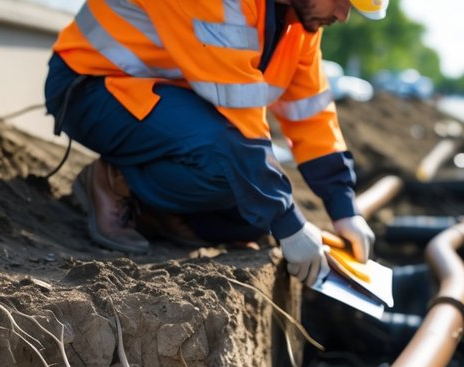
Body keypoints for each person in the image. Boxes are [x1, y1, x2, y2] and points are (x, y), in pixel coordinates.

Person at [44, 0, 385, 286]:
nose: (343, 14)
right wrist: (290, 224)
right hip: (90, 87)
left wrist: (344, 209)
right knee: (237, 171)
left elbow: (310, 114)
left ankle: (153, 208)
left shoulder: (299, 24)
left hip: (168, 99)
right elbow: (239, 128)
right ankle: (115, 181)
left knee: (252, 217)